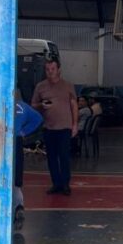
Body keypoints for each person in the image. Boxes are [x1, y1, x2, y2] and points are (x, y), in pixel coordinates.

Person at [31, 58, 78, 195]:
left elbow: (74, 105)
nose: (50, 72)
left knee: (64, 156)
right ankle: (56, 184)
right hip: (48, 128)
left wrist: (75, 124)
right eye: (47, 69)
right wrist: (41, 105)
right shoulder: (40, 87)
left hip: (64, 127)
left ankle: (65, 184)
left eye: (53, 69)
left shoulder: (68, 86)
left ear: (59, 70)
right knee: (51, 157)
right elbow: (33, 105)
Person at [13, 89, 43, 231]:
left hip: (1, 140)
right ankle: (19, 206)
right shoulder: (22, 106)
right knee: (16, 177)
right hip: (17, 140)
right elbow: (38, 118)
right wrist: (24, 131)